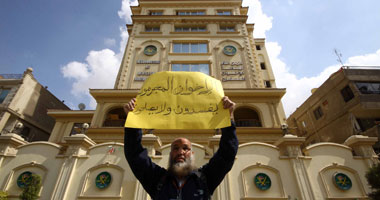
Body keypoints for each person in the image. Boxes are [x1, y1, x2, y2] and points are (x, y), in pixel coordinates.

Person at [124, 96, 238, 200]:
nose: (180, 152)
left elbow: (226, 155)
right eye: (175, 148)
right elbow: (134, 155)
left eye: (185, 148)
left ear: (192, 154)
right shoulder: (157, 179)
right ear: (170, 155)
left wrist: (228, 119)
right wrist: (132, 122)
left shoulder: (205, 179)